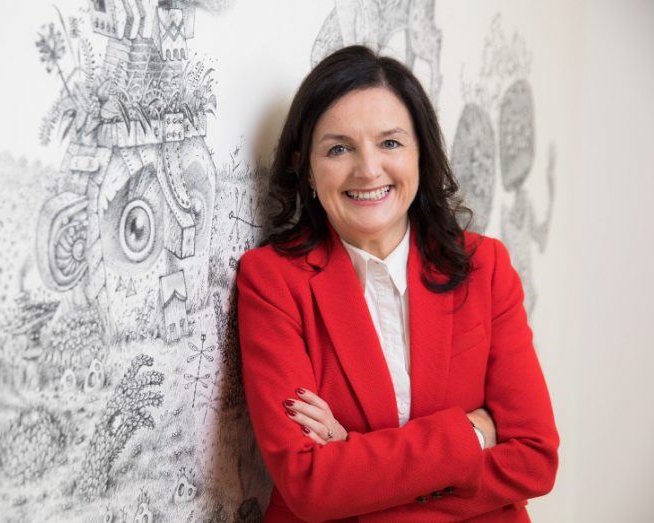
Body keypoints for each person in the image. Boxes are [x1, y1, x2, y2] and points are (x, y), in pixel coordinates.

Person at [236, 45, 558, 522]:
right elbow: (309, 485)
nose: (368, 170)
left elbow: (534, 459)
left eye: (390, 143)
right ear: (306, 167)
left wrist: (356, 457)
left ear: (421, 154)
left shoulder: (485, 268)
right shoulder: (272, 282)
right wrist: (470, 437)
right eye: (339, 148)